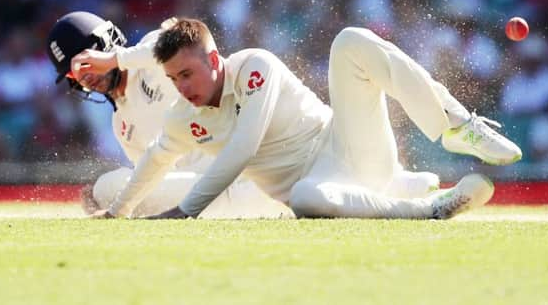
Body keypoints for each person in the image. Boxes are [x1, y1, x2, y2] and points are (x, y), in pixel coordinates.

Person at [76, 19, 521, 220]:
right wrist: (119, 212)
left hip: (349, 146)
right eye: (174, 78)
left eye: (188, 74)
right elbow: (153, 162)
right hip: (324, 189)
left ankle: (457, 126)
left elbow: (244, 146)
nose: (182, 87)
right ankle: (427, 207)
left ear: (214, 58)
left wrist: (184, 212)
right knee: (305, 198)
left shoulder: (256, 67)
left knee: (350, 42)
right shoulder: (180, 116)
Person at [46, 11, 292, 218]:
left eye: (85, 63)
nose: (84, 77)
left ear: (103, 46)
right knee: (109, 189)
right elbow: (154, 176)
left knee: (103, 189)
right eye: (73, 74)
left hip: (248, 176)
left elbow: (180, 47)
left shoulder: (150, 50)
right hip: (205, 193)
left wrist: (114, 60)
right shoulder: (120, 123)